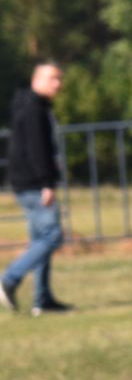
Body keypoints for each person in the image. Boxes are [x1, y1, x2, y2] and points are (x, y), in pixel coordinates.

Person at [4, 61, 71, 316]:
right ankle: (9, 279)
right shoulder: (33, 109)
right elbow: (37, 149)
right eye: (53, 78)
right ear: (37, 80)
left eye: (59, 79)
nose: (58, 84)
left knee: (40, 239)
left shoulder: (32, 105)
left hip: (26, 182)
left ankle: (42, 300)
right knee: (52, 236)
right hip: (34, 184)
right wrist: (47, 183)